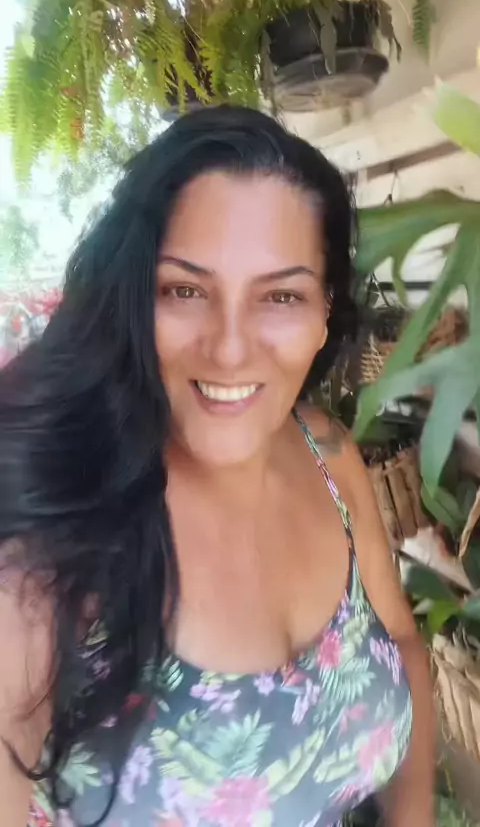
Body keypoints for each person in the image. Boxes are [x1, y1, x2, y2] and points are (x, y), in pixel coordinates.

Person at [0, 106, 434, 827]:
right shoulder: (46, 560)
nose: (230, 349)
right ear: (133, 298)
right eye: (185, 290)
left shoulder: (326, 453)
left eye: (281, 295)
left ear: (325, 312)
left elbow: (404, 642)